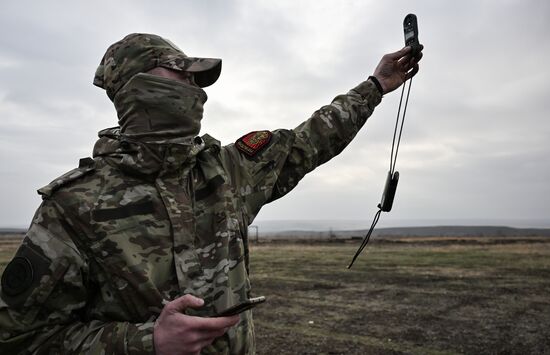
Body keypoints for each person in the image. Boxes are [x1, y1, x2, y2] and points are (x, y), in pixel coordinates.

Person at [0, 33, 423, 354]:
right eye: (179, 72)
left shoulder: (227, 170)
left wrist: (375, 85)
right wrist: (146, 342)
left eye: (194, 77)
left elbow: (311, 139)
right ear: (135, 85)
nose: (193, 85)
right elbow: (22, 337)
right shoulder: (73, 206)